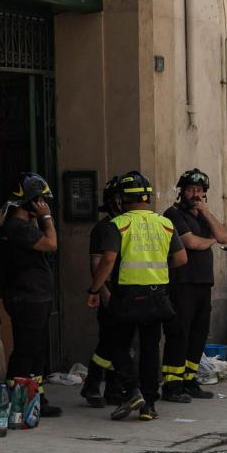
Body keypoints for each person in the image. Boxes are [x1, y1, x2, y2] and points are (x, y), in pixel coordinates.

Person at [87, 171, 187, 422]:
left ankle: (132, 390)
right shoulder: (164, 223)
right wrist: (156, 267)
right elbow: (181, 258)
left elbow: (108, 260)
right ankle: (149, 405)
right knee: (151, 350)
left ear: (122, 199)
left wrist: (94, 289)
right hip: (157, 296)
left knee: (117, 344)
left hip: (127, 296)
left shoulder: (118, 224)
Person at [161, 168, 227, 403]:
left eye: (200, 190)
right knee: (179, 334)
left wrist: (206, 213)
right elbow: (191, 242)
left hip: (203, 283)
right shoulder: (173, 213)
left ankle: (190, 381)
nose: (195, 194)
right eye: (191, 189)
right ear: (182, 191)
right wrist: (211, 240)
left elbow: (224, 237)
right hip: (182, 283)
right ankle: (172, 385)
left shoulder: (203, 215)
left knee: (198, 334)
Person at [0, 172, 61, 417]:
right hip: (28, 297)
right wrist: (46, 218)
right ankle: (18, 400)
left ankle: (36, 398)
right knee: (26, 351)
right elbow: (51, 244)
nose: (45, 205)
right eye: (42, 200)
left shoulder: (22, 226)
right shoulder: (17, 227)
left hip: (35, 296)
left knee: (37, 352)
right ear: (32, 201)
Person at [81, 175, 127, 409]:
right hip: (110, 292)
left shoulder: (126, 223)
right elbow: (97, 263)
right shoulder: (105, 227)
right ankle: (92, 384)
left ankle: (112, 388)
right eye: (121, 197)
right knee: (108, 343)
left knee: (118, 344)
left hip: (127, 293)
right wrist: (102, 290)